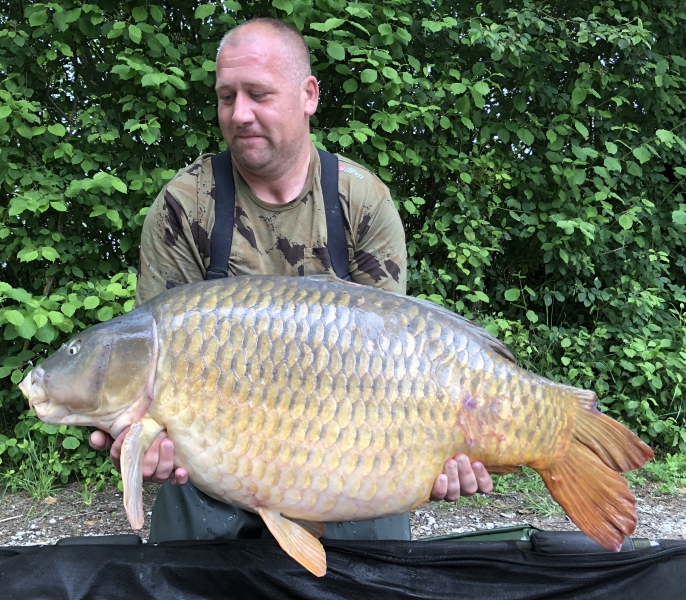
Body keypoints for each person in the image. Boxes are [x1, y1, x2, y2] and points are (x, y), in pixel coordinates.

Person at [89, 17, 492, 543]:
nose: (240, 114)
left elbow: (395, 363)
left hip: (349, 460)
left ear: (308, 96)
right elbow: (151, 365)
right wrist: (143, 440)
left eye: (258, 94)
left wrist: (440, 451)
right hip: (214, 475)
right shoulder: (185, 205)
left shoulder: (360, 201)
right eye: (226, 96)